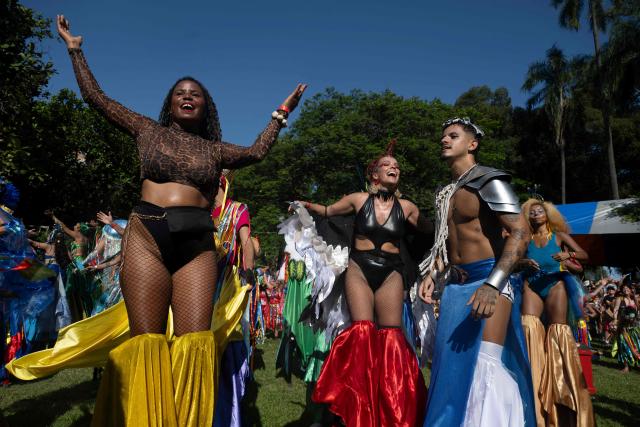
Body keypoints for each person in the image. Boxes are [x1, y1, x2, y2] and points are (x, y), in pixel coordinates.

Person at [55, 14, 306, 426]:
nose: (188, 97)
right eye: (180, 94)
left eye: (196, 95)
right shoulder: (146, 130)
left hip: (197, 243)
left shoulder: (216, 150)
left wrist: (281, 114)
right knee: (148, 340)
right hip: (148, 233)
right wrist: (75, 50)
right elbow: (97, 99)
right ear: (170, 103)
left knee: (194, 343)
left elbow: (257, 151)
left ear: (206, 106)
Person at [417, 117, 534, 426]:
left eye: (453, 136)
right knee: (450, 369)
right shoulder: (445, 194)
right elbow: (446, 244)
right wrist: (433, 274)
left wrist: (494, 285)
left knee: (485, 367)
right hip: (456, 286)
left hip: (490, 279)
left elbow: (521, 232)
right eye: (443, 136)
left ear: (472, 144)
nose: (444, 140)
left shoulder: (489, 181)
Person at [306, 140, 431, 426]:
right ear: (374, 174)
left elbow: (428, 231)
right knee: (361, 333)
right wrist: (307, 205)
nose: (394, 168)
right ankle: (352, 406)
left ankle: (394, 409)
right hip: (359, 268)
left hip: (391, 272)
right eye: (387, 165)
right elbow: (328, 211)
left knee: (391, 337)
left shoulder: (408, 207)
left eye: (397, 167)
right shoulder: (358, 200)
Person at [519, 198, 595, 426]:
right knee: (528, 327)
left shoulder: (559, 236)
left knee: (557, 334)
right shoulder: (526, 238)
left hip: (555, 285)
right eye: (532, 213)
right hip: (531, 284)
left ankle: (563, 393)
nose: (536, 215)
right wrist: (523, 262)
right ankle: (532, 392)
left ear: (548, 214)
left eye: (540, 211)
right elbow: (513, 259)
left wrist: (567, 255)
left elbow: (584, 255)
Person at [612, 277, 640, 373]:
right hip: (623, 325)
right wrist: (615, 319)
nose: (625, 290)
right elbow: (615, 309)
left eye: (627, 288)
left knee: (637, 345)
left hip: (634, 326)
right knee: (624, 345)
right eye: (623, 289)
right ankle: (626, 367)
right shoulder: (620, 299)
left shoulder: (635, 298)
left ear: (630, 289)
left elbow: (638, 309)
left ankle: (637, 363)